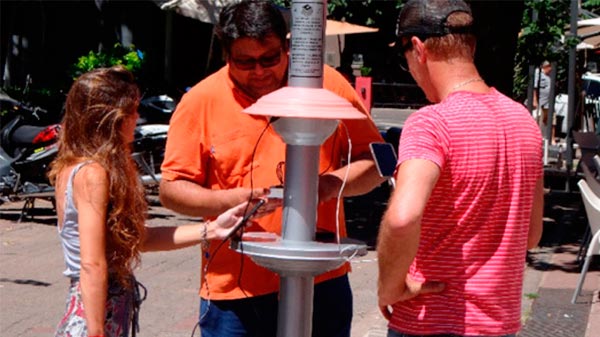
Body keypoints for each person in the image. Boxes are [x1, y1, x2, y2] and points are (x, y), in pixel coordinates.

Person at [158, 1, 385, 336]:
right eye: (245, 62)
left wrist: (328, 185)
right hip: (235, 288)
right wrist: (237, 199)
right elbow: (172, 190)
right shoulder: (200, 102)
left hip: (321, 280)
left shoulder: (327, 86)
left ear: (287, 46)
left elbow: (378, 161)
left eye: (270, 58)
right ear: (226, 54)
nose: (260, 71)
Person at [49, 66, 267, 337]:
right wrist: (96, 332)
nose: (137, 117)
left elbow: (137, 239)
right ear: (112, 119)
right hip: (93, 316)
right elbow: (92, 264)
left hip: (99, 310)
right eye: (132, 110)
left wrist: (213, 230)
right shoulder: (92, 174)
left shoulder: (76, 168)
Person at [377, 1, 544, 337]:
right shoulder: (524, 122)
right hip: (499, 324)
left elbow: (403, 217)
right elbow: (531, 236)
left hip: (430, 322)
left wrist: (390, 287)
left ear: (419, 50)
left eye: (404, 59)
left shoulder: (430, 123)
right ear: (472, 46)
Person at [533, 60, 552, 129]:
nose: (551, 69)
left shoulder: (549, 75)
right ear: (546, 67)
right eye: (550, 67)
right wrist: (534, 100)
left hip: (548, 101)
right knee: (537, 117)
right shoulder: (538, 72)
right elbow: (534, 87)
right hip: (540, 101)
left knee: (546, 119)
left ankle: (544, 135)